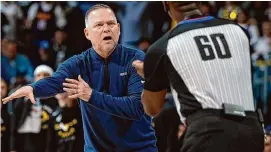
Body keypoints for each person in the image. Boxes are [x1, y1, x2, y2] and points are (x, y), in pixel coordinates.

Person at [2, 4, 157, 152]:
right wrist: (33, 88)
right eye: (99, 25)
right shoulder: (78, 63)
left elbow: (136, 108)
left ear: (119, 29)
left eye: (111, 23)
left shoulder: (136, 59)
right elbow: (56, 82)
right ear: (87, 33)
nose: (106, 29)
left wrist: (91, 96)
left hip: (139, 148)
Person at [133, 2, 264, 152]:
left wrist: (149, 76)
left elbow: (152, 108)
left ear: (165, 4)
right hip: (252, 130)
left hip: (207, 133)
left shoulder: (162, 46)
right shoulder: (239, 32)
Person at [13, 65, 58, 152]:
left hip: (47, 144)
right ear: (34, 78)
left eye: (46, 75)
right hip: (25, 143)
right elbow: (14, 121)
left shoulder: (56, 99)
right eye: (39, 75)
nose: (42, 77)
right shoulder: (23, 97)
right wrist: (13, 146)